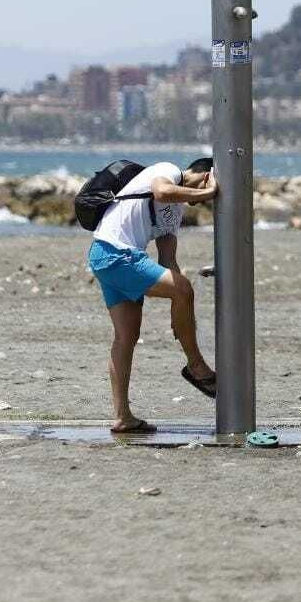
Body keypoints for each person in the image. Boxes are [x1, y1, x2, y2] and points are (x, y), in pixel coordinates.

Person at [87, 157, 218, 433]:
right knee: (183, 289)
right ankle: (196, 366)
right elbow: (161, 191)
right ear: (207, 175)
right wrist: (208, 191)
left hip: (108, 256)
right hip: (116, 254)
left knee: (126, 337)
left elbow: (168, 260)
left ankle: (123, 417)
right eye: (208, 193)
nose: (204, 202)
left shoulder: (175, 212)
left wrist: (180, 308)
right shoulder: (167, 170)